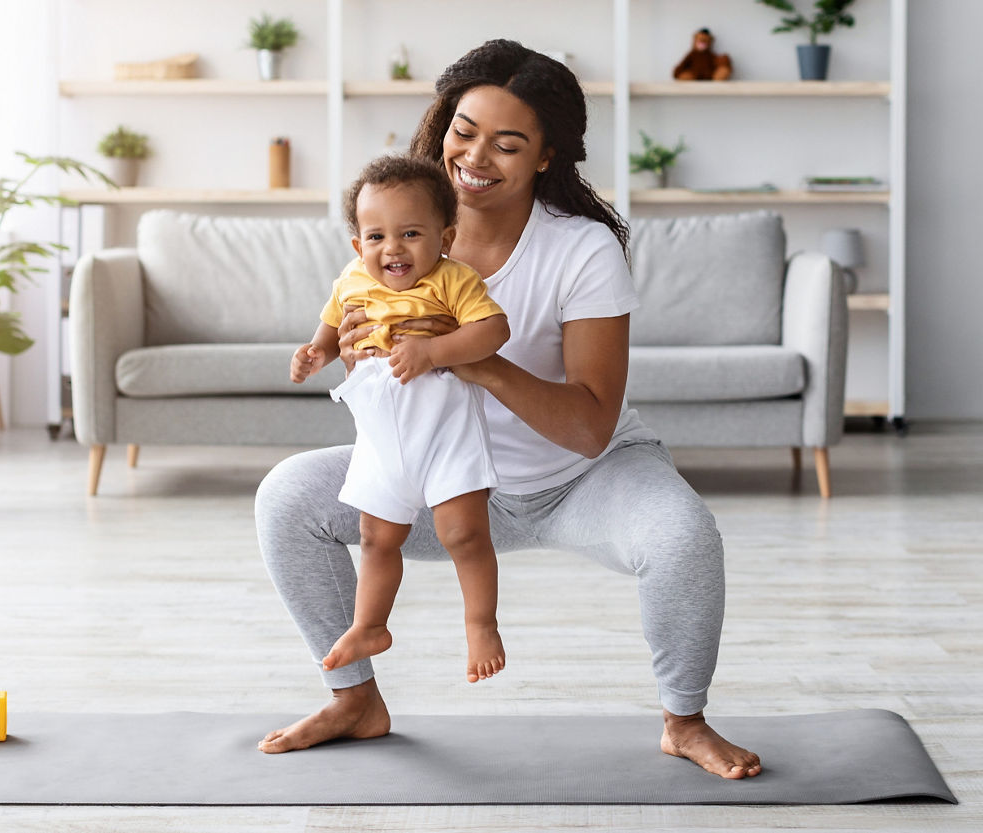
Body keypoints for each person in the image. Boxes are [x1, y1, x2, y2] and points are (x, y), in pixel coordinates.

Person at [255, 39, 763, 780]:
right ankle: (355, 701)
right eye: (464, 130)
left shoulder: (582, 251)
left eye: (508, 142)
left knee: (685, 537)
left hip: (581, 477)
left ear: (546, 157)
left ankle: (684, 720)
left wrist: (474, 359)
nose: (476, 155)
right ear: (441, 127)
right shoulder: (393, 240)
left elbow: (590, 427)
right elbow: (371, 374)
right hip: (453, 480)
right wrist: (357, 355)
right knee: (286, 497)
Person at [291, 154, 511, 684]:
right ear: (357, 245)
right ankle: (370, 624)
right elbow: (328, 325)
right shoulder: (350, 281)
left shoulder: (453, 279)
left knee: (464, 534)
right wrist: (316, 353)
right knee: (375, 537)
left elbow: (494, 331)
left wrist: (434, 353)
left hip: (443, 427)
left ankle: (481, 624)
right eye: (376, 236)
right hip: (381, 435)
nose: (393, 248)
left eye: (411, 233)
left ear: (446, 237)